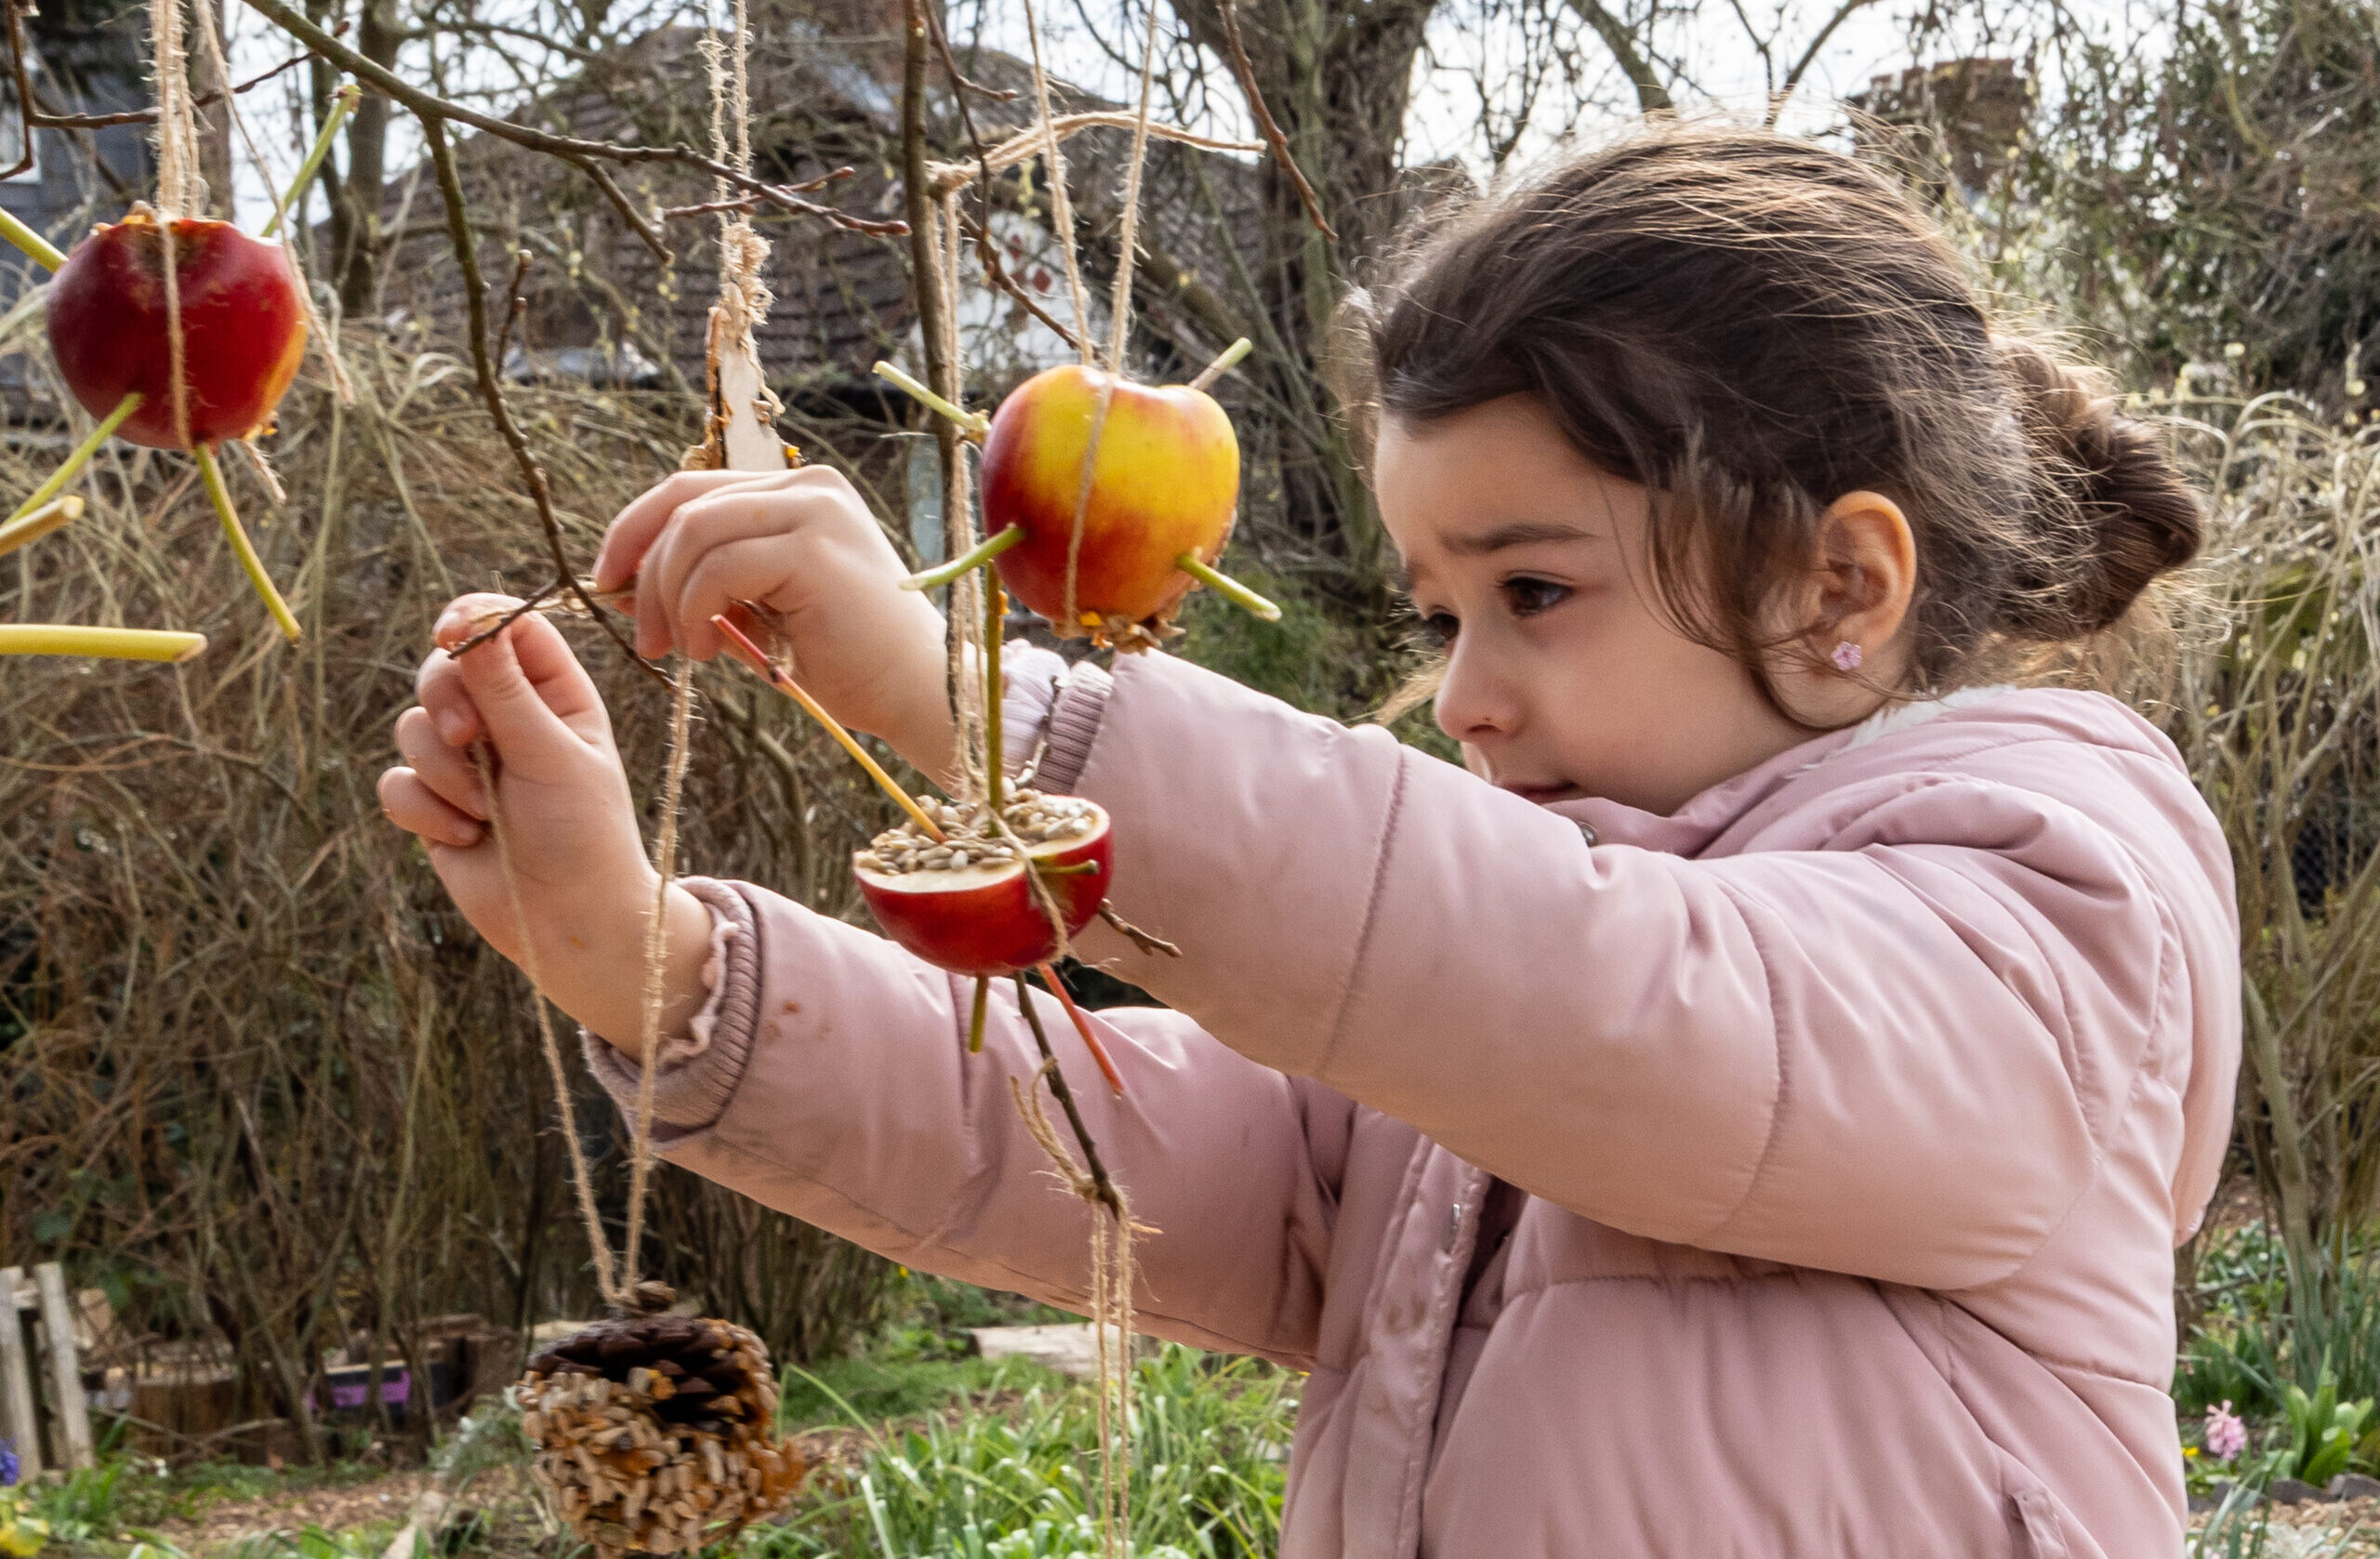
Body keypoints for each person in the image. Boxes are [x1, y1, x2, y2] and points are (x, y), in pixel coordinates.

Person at [378, 125, 2239, 1557]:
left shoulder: (2038, 909)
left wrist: (974, 700)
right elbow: (1118, 1135)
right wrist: (646, 958)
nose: (1461, 691)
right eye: (1436, 614)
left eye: (1530, 590)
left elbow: (1626, 1002)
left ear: (1837, 581)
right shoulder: (1470, 1012)